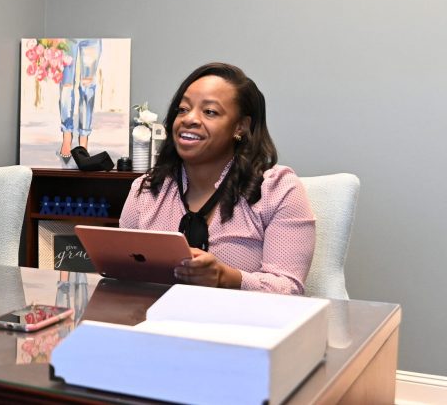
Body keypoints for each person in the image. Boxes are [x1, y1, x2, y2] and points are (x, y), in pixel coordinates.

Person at [119, 63, 315, 294]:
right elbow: (122, 274)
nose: (189, 119)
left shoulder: (278, 190)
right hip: (156, 321)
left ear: (240, 127)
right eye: (182, 109)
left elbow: (289, 288)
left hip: (242, 327)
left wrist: (226, 277)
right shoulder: (147, 189)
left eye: (210, 112)